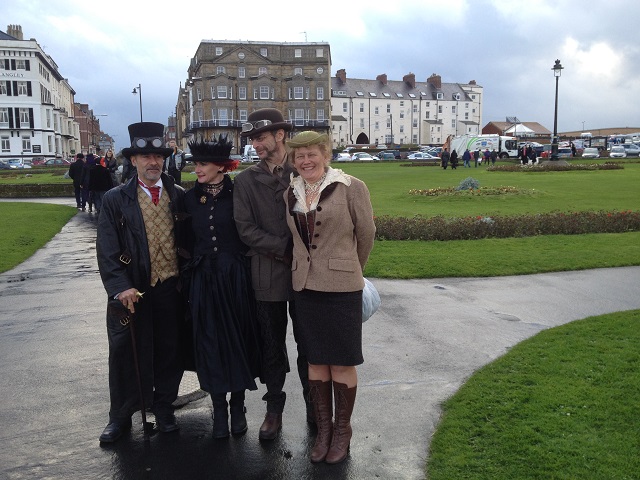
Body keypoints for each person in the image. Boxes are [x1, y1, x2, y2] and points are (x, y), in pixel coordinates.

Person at [283, 131, 376, 464]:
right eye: (299, 157)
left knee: (341, 360)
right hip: (304, 289)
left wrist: (350, 269)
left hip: (341, 289)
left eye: (312, 154)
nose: (305, 161)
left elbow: (366, 235)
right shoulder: (290, 193)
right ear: (293, 161)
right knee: (315, 360)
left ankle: (342, 431)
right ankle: (323, 430)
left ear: (325, 154)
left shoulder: (353, 187)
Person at [96, 121, 188, 443]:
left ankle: (163, 406)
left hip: (170, 287)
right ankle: (120, 416)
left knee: (168, 350)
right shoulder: (115, 199)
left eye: (158, 156)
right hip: (132, 289)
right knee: (125, 353)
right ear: (133, 160)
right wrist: (120, 286)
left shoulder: (178, 195)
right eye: (145, 156)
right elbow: (108, 249)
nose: (154, 162)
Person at [233, 108, 311, 440]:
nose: (255, 145)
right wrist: (285, 246)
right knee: (271, 346)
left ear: (280, 135)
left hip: (308, 276)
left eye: (260, 138)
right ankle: (273, 409)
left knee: (310, 345)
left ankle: (316, 409)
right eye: (252, 140)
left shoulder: (306, 170)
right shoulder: (246, 180)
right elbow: (245, 229)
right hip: (267, 275)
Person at [182, 136, 262, 439]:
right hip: (204, 280)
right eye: (195, 164)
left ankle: (238, 404)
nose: (197, 169)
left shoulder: (238, 192)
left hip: (236, 278)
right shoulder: (189, 199)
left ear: (220, 166)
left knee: (238, 338)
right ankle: (219, 408)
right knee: (210, 342)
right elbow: (184, 242)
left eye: (202, 164)